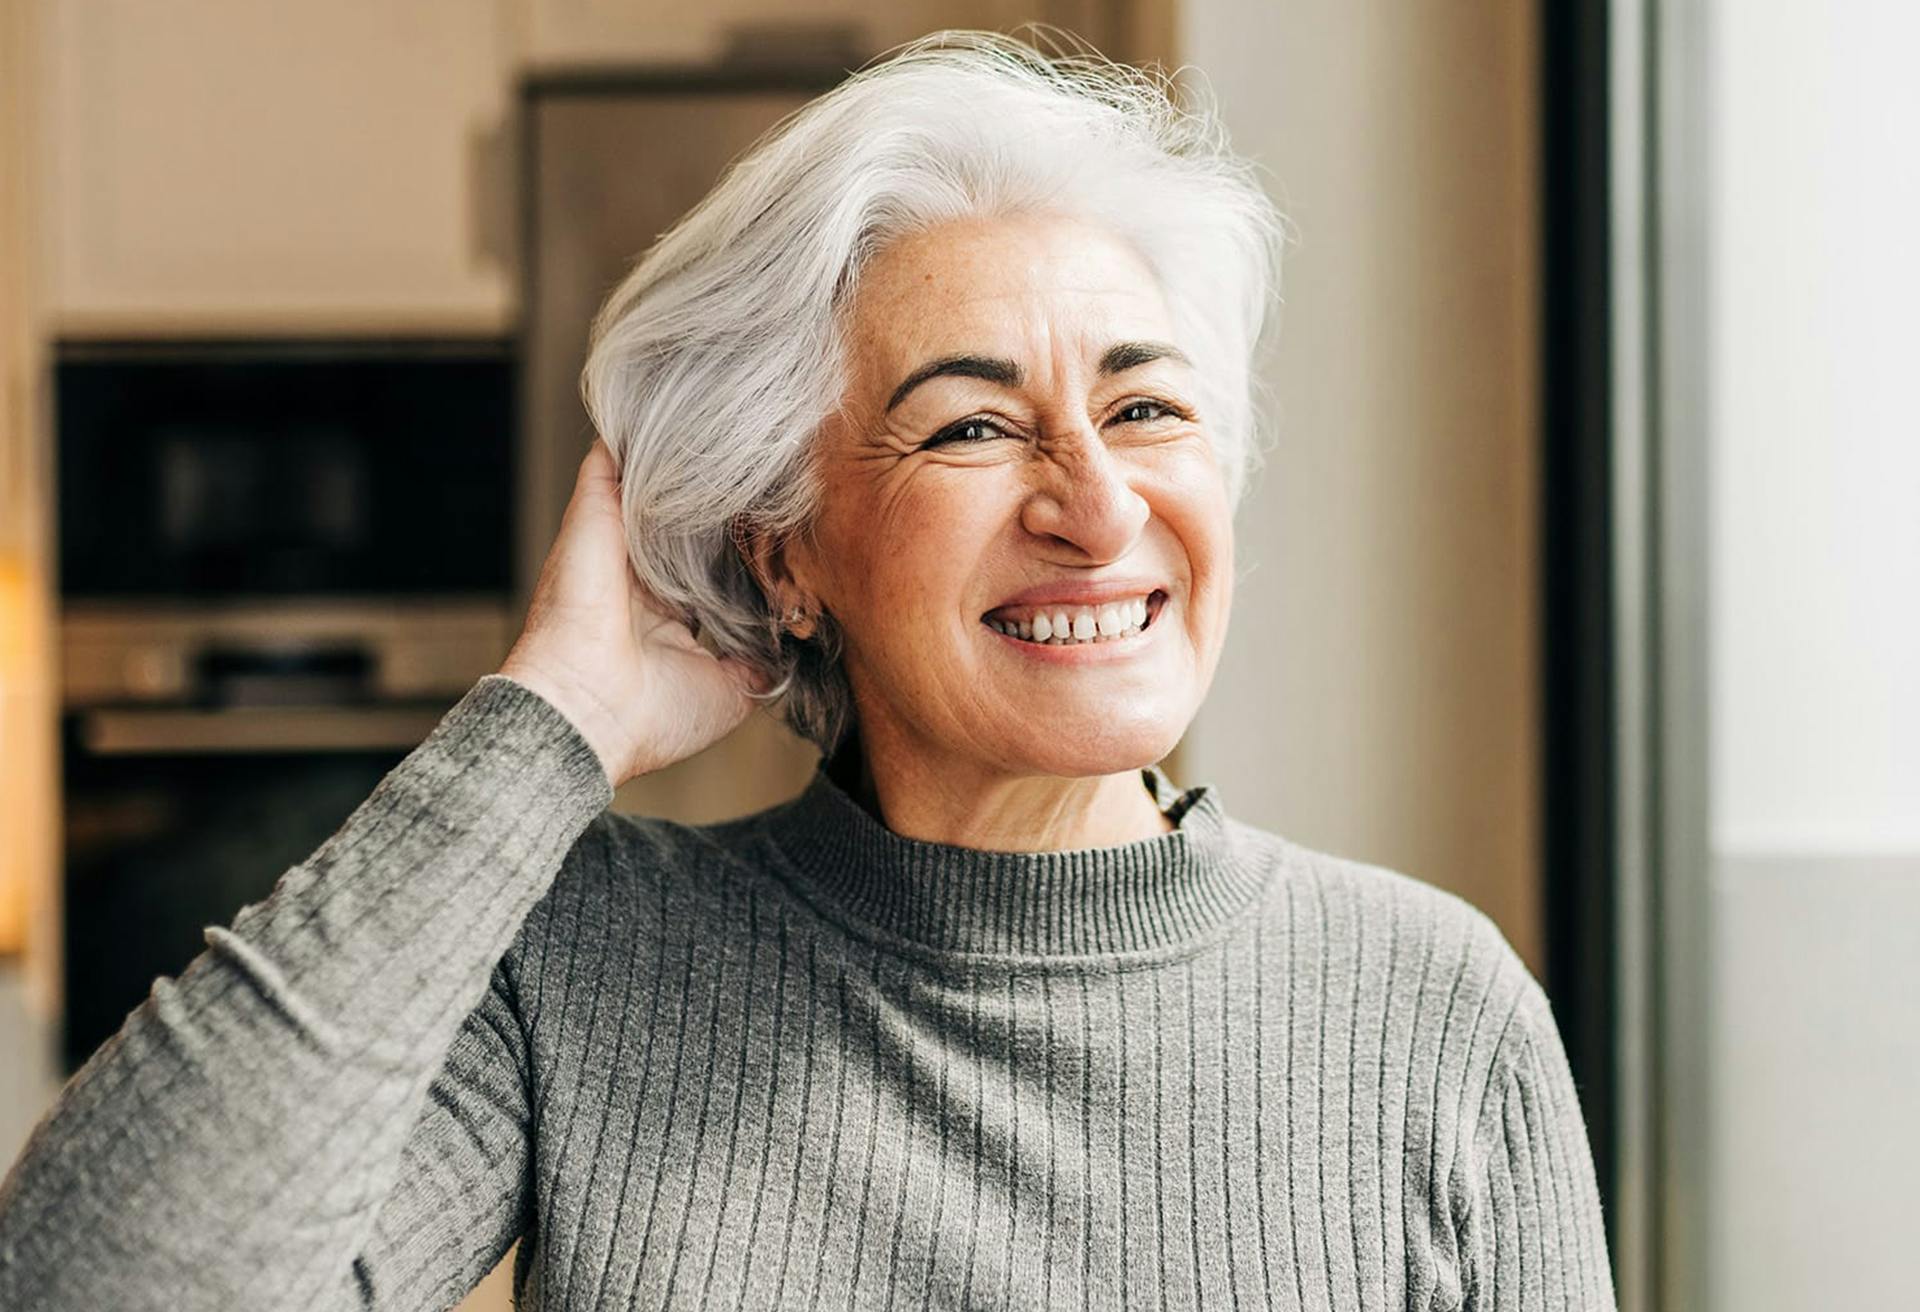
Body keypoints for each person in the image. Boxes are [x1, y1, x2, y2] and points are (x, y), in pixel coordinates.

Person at [0, 31, 1614, 1310]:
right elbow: (94, 1285)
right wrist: (547, 724)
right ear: (790, 551)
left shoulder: (1433, 1010)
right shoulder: (593, 967)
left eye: (1147, 408)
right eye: (975, 424)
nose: (1098, 505)